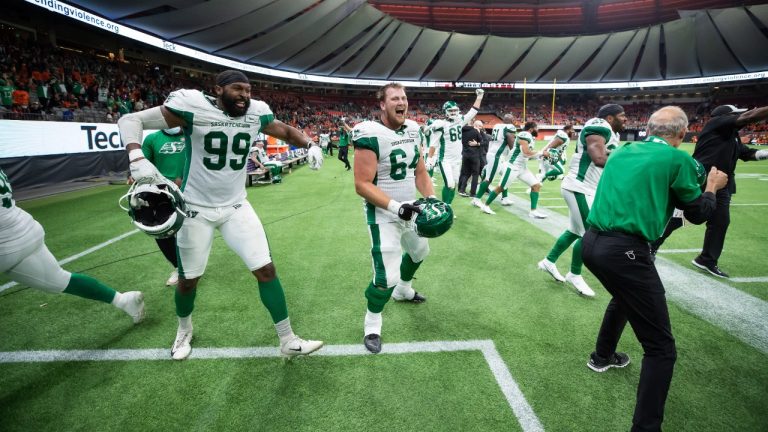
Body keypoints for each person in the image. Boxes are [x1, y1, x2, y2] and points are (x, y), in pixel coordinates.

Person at [118, 70, 323, 360]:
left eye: (248, 90)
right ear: (218, 89)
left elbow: (286, 131)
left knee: (266, 270)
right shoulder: (192, 106)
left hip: (236, 206)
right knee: (188, 280)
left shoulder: (256, 113)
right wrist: (136, 156)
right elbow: (130, 119)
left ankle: (288, 339)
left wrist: (310, 144)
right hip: (194, 208)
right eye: (238, 88)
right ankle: (183, 331)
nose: (244, 95)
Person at [582, 106, 727, 432]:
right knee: (661, 348)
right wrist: (712, 188)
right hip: (625, 251)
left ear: (648, 129)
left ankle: (602, 355)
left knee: (624, 298)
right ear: (681, 134)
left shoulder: (623, 151)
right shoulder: (678, 160)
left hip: (591, 243)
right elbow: (699, 213)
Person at [352, 82, 437, 354]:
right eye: (395, 98)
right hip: (382, 211)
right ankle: (372, 323)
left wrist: (431, 199)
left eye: (404, 97)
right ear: (382, 104)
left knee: (420, 251)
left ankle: (404, 289)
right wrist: (395, 207)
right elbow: (362, 184)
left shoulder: (413, 129)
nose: (401, 102)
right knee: (384, 276)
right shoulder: (369, 133)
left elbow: (420, 172)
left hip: (410, 207)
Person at [0, 168, 145, 325]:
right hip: (23, 227)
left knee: (59, 279)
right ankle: (123, 300)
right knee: (59, 280)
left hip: (6, 242)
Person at [650, 104, 768, 277]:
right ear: (724, 116)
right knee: (679, 217)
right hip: (702, 178)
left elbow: (748, 154)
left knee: (720, 221)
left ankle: (706, 259)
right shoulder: (716, 123)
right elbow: (748, 117)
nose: (738, 117)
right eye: (734, 115)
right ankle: (651, 245)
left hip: (722, 184)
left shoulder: (732, 137)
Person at [537, 104, 626, 297]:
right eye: (622, 115)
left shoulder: (611, 132)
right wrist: (626, 156)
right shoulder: (598, 125)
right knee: (591, 234)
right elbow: (599, 159)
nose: (625, 119)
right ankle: (574, 273)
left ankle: (549, 261)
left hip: (586, 188)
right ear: (609, 118)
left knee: (574, 231)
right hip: (580, 187)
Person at [139, 126, 186, 286]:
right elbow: (143, 164)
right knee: (161, 229)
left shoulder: (192, 135)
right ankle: (179, 267)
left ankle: (191, 266)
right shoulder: (152, 139)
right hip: (162, 191)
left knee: (191, 229)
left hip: (192, 187)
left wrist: (182, 177)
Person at [426, 90, 485, 205]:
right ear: (445, 112)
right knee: (449, 184)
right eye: (451, 110)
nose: (453, 112)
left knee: (454, 185)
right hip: (445, 160)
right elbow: (433, 144)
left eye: (455, 110)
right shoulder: (441, 125)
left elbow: (473, 111)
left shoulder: (460, 121)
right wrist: (429, 159)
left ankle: (448, 206)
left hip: (457, 160)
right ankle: (444, 207)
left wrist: (479, 97)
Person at [479, 121, 547, 218]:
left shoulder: (530, 137)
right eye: (536, 128)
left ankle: (533, 211)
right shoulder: (524, 135)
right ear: (531, 129)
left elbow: (528, 155)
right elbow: (526, 153)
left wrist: (540, 156)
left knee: (536, 185)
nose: (538, 130)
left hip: (522, 167)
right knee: (501, 187)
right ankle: (486, 206)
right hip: (513, 167)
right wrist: (541, 153)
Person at [472, 114, 516, 208]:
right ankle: (476, 199)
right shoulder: (510, 127)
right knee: (488, 179)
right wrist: (514, 151)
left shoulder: (497, 125)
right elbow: (510, 139)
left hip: (494, 154)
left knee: (505, 176)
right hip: (497, 156)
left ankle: (505, 198)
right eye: (513, 119)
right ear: (511, 120)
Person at [458, 120, 487, 197]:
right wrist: (477, 143)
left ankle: (461, 189)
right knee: (475, 174)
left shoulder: (462, 130)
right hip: (474, 155)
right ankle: (473, 193)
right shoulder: (476, 131)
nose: (481, 128)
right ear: (476, 125)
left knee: (465, 173)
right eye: (480, 126)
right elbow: (483, 142)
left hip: (465, 154)